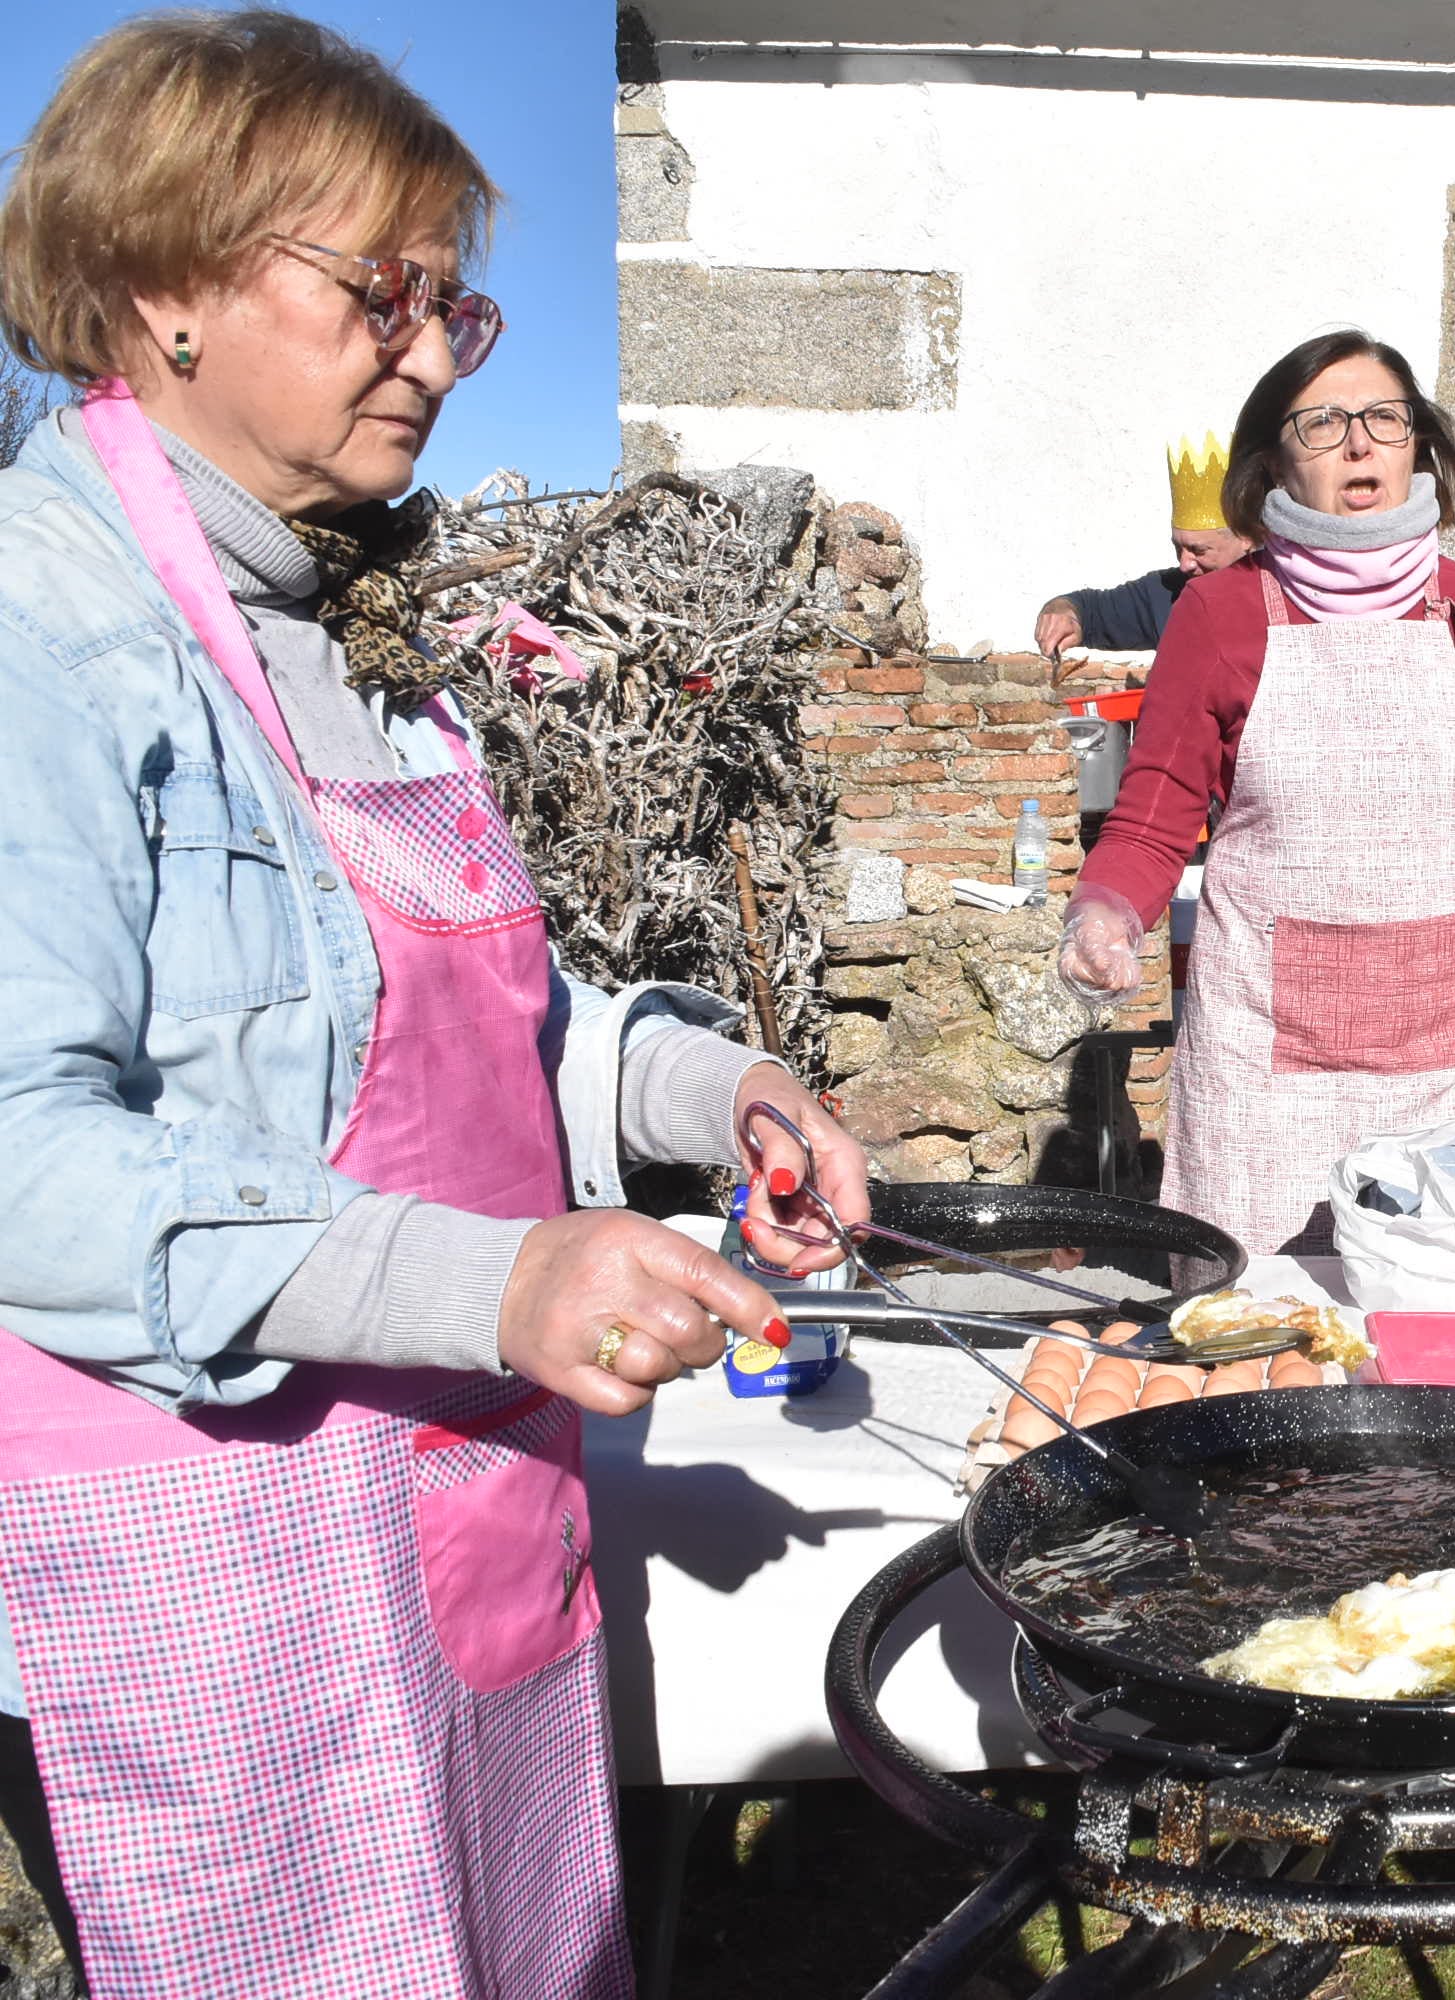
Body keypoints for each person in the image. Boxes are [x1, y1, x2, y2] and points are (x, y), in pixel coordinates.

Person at [0, 15, 872, 1993]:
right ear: (162, 291)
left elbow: (496, 1011)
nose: (425, 343)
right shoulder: (41, 631)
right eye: (374, 289)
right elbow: (24, 1166)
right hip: (226, 1546)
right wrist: (495, 1285)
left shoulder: (349, 624)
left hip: (460, 1495)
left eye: (450, 303)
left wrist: (702, 1077)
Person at [1057, 331, 1455, 1255]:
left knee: (1437, 1344)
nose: (1360, 443)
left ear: (1419, 445)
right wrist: (1106, 913)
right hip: (1264, 1072)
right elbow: (1151, 817)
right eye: (1322, 423)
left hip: (1452, 1060)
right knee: (1261, 1346)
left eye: (1385, 417)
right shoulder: (1217, 615)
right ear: (1273, 463)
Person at [1031, 431, 1253, 658]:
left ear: (1247, 537)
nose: (1184, 563)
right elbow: (1091, 611)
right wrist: (1062, 611)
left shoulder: (1286, 590)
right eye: (1178, 547)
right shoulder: (1169, 593)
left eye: (1199, 550)